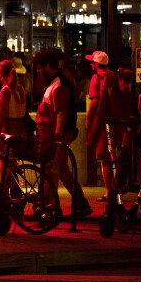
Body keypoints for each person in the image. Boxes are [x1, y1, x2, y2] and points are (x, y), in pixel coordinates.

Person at [32, 48, 92, 217]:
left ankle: (49, 207)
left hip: (56, 135)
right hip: (55, 134)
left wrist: (57, 138)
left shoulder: (59, 84)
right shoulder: (54, 82)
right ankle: (80, 204)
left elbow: (62, 113)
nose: (37, 71)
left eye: (38, 67)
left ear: (45, 66)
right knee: (62, 171)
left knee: (52, 170)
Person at [85, 50, 120, 197]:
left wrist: (88, 119)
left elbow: (94, 101)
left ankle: (109, 191)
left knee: (104, 157)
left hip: (101, 120)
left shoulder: (96, 78)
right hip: (115, 121)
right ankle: (115, 186)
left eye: (92, 62)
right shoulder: (114, 76)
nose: (91, 65)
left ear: (96, 64)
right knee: (113, 155)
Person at [0, 58, 29, 158]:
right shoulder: (21, 88)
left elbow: (2, 115)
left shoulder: (6, 90)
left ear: (0, 74)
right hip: (21, 130)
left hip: (9, 131)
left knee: (4, 163)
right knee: (12, 163)